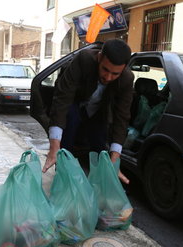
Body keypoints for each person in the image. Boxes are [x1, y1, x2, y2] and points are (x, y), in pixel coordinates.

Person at [42, 39, 134, 184]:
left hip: (98, 113)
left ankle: (101, 184)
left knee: (100, 148)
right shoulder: (83, 60)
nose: (108, 77)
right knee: (66, 137)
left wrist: (115, 159)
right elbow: (62, 100)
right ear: (99, 57)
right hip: (74, 106)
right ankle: (64, 181)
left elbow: (122, 117)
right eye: (105, 69)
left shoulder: (127, 78)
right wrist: (54, 147)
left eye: (115, 74)